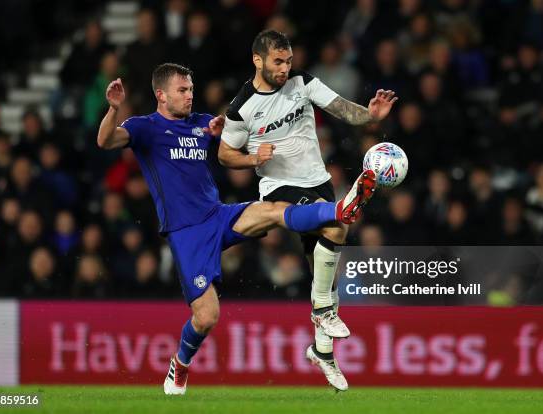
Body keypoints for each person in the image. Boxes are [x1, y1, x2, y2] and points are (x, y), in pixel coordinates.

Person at [96, 63, 377, 395]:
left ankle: (339, 209)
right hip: (187, 232)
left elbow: (229, 146)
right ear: (161, 95)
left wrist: (231, 140)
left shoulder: (201, 123)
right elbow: (106, 140)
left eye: (191, 89)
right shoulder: (145, 127)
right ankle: (180, 364)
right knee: (207, 317)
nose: (190, 95)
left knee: (273, 212)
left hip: (218, 215)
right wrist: (114, 109)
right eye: (182, 91)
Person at [218, 29, 397, 391]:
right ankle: (321, 312)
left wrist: (372, 115)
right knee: (337, 222)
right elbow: (224, 154)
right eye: (278, 62)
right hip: (280, 188)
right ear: (258, 60)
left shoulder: (302, 82)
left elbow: (342, 109)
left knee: (325, 273)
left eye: (288, 61)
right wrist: (254, 157)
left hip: (317, 180)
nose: (285, 68)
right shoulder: (242, 107)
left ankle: (322, 351)